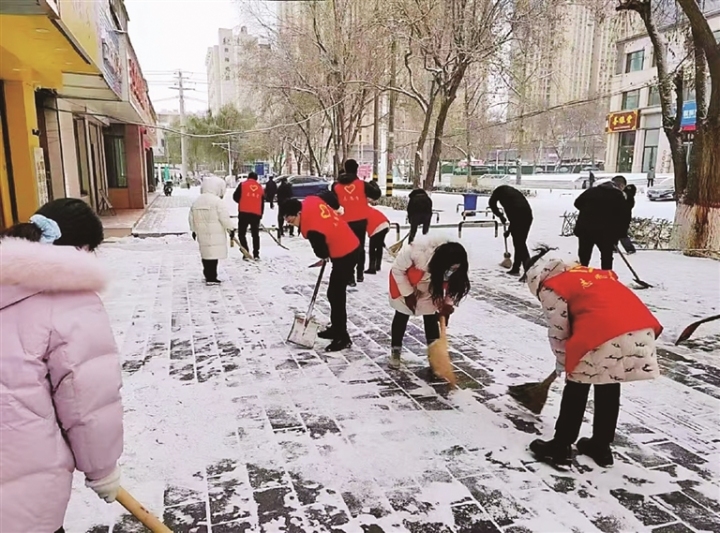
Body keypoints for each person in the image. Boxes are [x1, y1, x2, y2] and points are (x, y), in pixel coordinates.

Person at [0, 199, 124, 533]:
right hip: (19, 481)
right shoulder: (69, 299)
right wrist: (102, 469)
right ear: (82, 248)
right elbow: (86, 396)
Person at [522, 247, 662, 468]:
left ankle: (560, 446)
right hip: (639, 330)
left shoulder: (551, 285)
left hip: (602, 335)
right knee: (608, 382)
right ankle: (601, 446)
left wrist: (563, 362)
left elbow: (559, 329)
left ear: (534, 274)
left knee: (576, 387)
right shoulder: (587, 273)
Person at [283, 196, 360, 352]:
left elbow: (321, 251)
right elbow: (325, 197)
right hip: (348, 242)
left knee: (336, 294)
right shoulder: (311, 201)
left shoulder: (312, 228)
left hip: (346, 252)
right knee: (333, 293)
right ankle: (336, 328)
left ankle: (342, 337)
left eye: (290, 220)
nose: (288, 222)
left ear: (298, 213)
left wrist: (324, 254)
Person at [388, 235, 471, 370]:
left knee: (431, 317)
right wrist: (408, 294)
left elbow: (453, 283)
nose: (451, 271)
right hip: (405, 283)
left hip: (432, 286)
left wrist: (447, 305)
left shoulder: (456, 258)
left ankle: (434, 355)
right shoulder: (414, 252)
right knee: (402, 314)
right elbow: (397, 270)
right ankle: (395, 351)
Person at [332, 159, 381, 283]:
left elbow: (332, 203)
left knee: (347, 248)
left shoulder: (336, 187)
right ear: (356, 169)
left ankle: (350, 276)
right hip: (360, 221)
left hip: (344, 222)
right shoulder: (362, 185)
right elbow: (376, 195)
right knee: (359, 247)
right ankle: (360, 274)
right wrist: (374, 184)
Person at [573, 175, 631, 271]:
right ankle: (606, 278)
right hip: (605, 232)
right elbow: (623, 217)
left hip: (585, 229)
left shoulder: (591, 191)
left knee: (584, 256)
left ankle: (582, 275)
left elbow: (577, 203)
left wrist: (588, 213)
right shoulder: (618, 196)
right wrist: (620, 234)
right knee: (606, 257)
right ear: (621, 185)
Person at [189, 176, 236, 284]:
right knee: (213, 254)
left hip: (202, 232)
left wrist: (193, 229)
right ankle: (212, 276)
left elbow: (191, 217)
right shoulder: (217, 201)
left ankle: (208, 274)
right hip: (216, 232)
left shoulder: (197, 201)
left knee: (205, 253)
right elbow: (224, 218)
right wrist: (231, 228)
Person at [489, 185, 533, 275]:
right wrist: (509, 230)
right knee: (520, 243)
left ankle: (528, 269)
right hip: (528, 216)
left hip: (520, 216)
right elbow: (515, 217)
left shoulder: (506, 198)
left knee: (519, 244)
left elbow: (515, 217)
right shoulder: (511, 194)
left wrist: (501, 217)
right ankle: (518, 268)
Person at [233, 172, 264, 259]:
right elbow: (262, 202)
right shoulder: (260, 187)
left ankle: (245, 251)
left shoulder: (242, 185)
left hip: (244, 212)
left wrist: (243, 201)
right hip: (256, 213)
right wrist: (261, 214)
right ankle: (256, 254)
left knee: (241, 233)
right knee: (255, 234)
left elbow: (235, 197)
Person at [365, 206, 390, 275]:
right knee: (379, 246)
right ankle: (378, 266)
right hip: (385, 224)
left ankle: (372, 268)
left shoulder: (361, 212)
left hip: (376, 227)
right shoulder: (369, 209)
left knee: (372, 248)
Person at [619, 184, 637, 255]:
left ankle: (630, 248)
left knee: (622, 234)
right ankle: (613, 247)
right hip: (624, 218)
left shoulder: (627, 198)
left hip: (622, 218)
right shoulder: (629, 198)